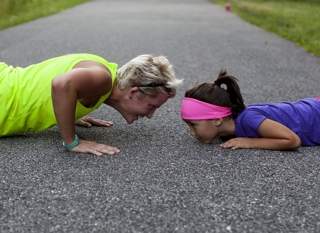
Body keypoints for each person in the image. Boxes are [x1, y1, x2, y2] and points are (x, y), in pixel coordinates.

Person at [0, 53, 182, 155]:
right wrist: (72, 142)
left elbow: (59, 86)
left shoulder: (103, 76)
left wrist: (69, 113)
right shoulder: (102, 79)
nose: (150, 115)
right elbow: (62, 84)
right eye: (152, 106)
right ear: (134, 92)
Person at [180, 70, 320, 151]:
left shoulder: (248, 119)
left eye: (193, 125)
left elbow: (292, 140)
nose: (191, 131)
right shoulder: (230, 129)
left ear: (217, 119)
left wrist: (249, 142)